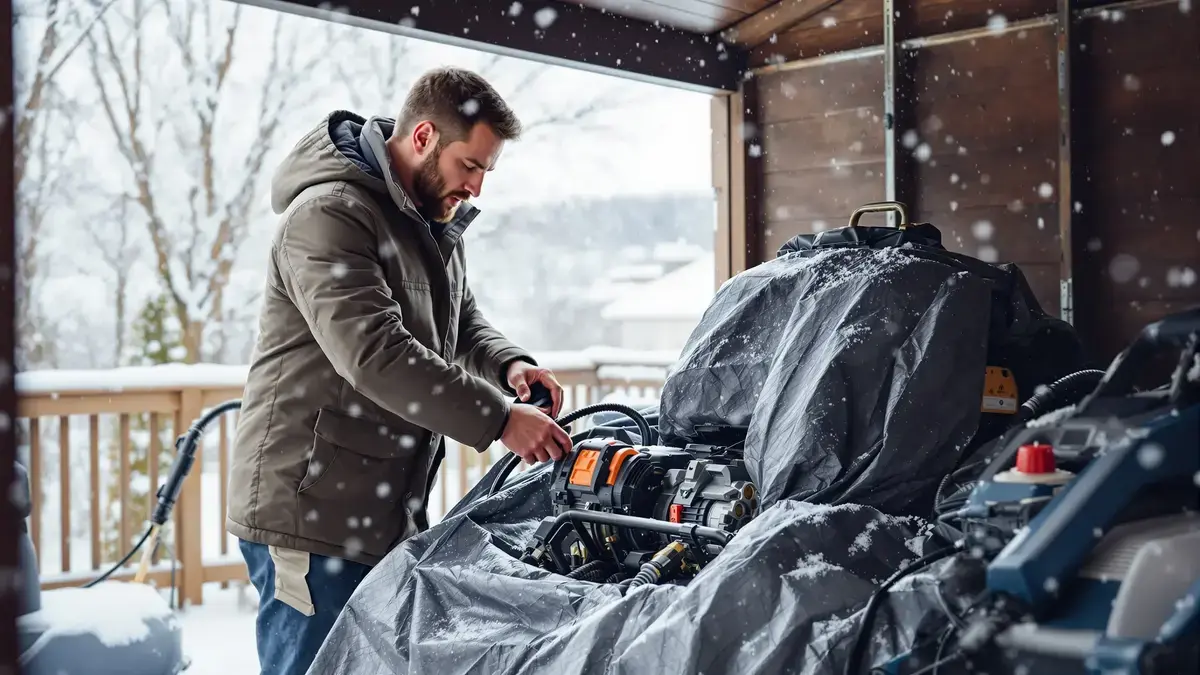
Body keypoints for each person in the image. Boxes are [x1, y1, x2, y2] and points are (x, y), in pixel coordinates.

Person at [225, 66, 574, 675]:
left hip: (379, 513)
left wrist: (509, 364)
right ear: (422, 137)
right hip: (309, 512)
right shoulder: (329, 215)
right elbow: (375, 352)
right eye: (470, 165)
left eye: (486, 172)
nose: (477, 187)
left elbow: (459, 319)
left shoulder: (426, 220)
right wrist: (500, 420)